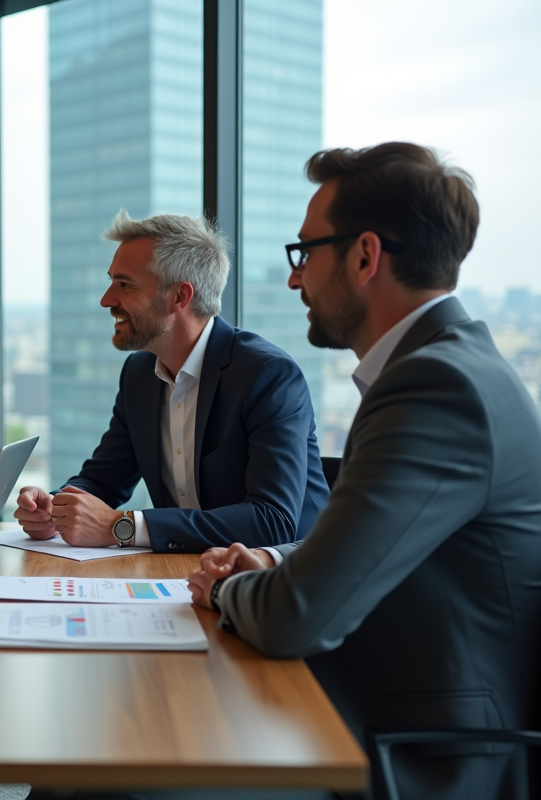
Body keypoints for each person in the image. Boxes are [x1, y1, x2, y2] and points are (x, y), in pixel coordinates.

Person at [188, 143, 541, 800]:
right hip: (389, 701)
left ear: (364, 256)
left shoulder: (436, 386)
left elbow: (297, 616)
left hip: (424, 749)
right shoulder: (453, 366)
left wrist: (222, 593)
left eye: (305, 254)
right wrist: (270, 559)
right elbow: (396, 544)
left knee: (130, 778)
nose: (295, 280)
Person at [15, 213, 328, 554]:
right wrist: (56, 508)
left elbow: (272, 521)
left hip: (279, 583)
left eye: (125, 284)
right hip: (184, 573)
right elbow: (104, 480)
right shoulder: (138, 374)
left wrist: (120, 526)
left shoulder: (268, 375)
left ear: (180, 296)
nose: (107, 299)